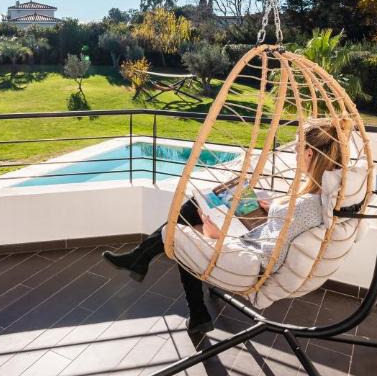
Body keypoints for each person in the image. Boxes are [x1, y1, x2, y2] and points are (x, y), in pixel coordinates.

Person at [102, 118, 345, 335]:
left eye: (297, 149)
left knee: (184, 231)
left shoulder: (305, 206)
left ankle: (146, 263)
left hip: (247, 257)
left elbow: (269, 258)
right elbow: (285, 232)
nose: (294, 153)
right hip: (256, 237)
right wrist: (273, 209)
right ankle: (153, 270)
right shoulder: (320, 198)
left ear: (309, 154)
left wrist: (219, 236)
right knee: (194, 208)